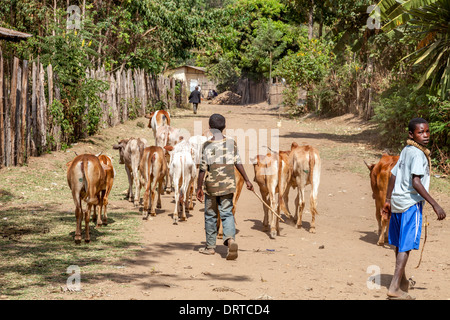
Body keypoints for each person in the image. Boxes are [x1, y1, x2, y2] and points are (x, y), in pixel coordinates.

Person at [382, 117, 446, 300]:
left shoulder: (407, 150)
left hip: (397, 202)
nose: (425, 135)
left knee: (399, 243)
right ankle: (394, 287)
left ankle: (401, 281)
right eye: (420, 132)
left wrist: (388, 200)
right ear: (412, 134)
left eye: (427, 131)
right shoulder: (418, 154)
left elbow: (393, 176)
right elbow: (416, 182)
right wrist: (435, 204)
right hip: (410, 205)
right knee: (406, 245)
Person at [196, 114, 254, 260]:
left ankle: (210, 247)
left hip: (211, 187)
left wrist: (198, 188)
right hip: (228, 186)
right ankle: (230, 240)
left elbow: (203, 169)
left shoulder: (206, 145)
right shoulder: (231, 143)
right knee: (227, 213)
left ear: (209, 128)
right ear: (224, 127)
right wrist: (247, 180)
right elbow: (238, 162)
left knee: (210, 215)